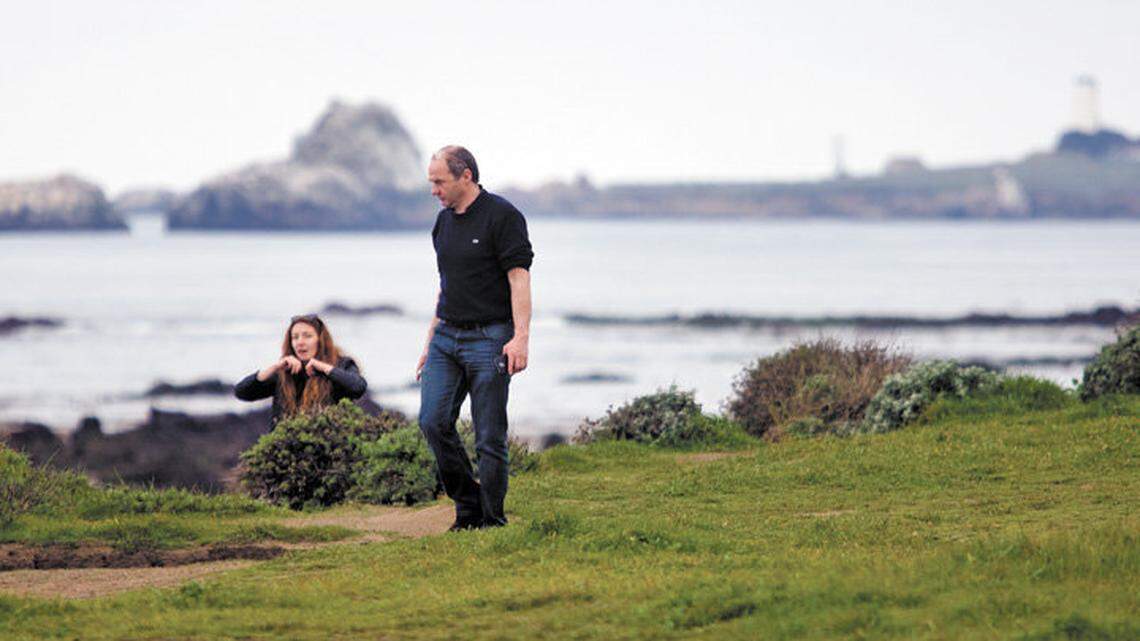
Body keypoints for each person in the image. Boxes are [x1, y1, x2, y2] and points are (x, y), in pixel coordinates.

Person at [416, 145, 534, 531]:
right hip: (446, 337)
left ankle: (492, 519)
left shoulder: (503, 216)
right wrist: (429, 342)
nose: (434, 190)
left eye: (439, 182)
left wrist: (520, 338)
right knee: (433, 421)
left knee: (488, 437)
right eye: (431, 182)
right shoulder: (442, 223)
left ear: (465, 176)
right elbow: (445, 287)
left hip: (491, 337)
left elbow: (519, 279)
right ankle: (468, 508)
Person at [234, 314, 367, 426]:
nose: (300, 342)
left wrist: (323, 367)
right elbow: (242, 392)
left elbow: (358, 387)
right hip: (287, 451)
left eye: (307, 336)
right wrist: (274, 367)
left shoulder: (342, 364)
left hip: (330, 449)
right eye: (295, 337)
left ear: (320, 340)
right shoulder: (285, 372)